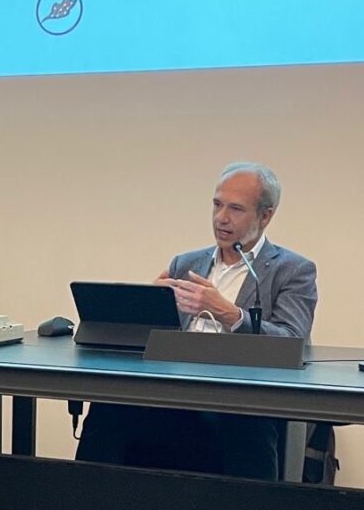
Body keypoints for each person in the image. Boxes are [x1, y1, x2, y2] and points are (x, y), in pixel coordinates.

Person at [75, 162, 317, 480]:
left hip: (237, 400)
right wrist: (147, 307)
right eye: (217, 205)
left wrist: (230, 314)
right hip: (175, 393)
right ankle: (84, 493)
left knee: (247, 424)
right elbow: (158, 339)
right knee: (110, 406)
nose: (221, 218)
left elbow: (292, 340)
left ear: (265, 216)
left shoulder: (292, 270)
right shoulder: (186, 263)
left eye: (235, 209)